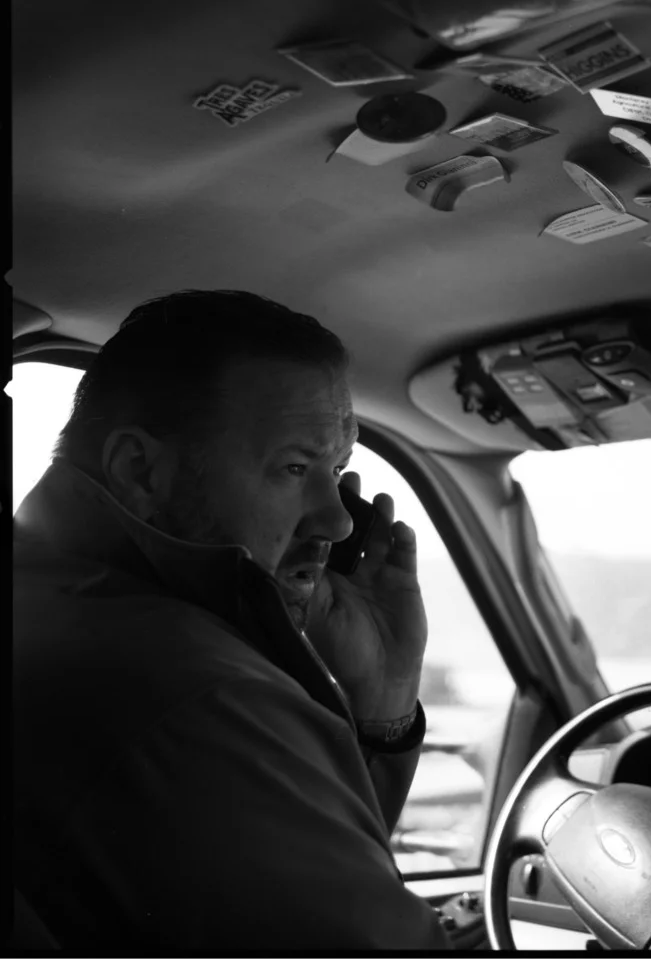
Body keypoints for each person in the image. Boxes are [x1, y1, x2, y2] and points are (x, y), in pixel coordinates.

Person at [12, 290, 448, 948]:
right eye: (295, 467)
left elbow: (306, 888)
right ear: (140, 470)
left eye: (337, 470)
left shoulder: (45, 598)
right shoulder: (196, 690)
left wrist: (381, 700)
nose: (337, 519)